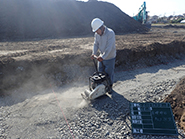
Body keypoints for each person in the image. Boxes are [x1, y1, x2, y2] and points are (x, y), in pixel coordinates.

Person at [90, 18, 116, 92]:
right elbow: (96, 44)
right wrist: (94, 53)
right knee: (100, 73)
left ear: (101, 27)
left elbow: (109, 47)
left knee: (108, 73)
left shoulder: (110, 33)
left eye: (97, 30)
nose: (96, 32)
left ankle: (109, 87)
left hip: (110, 57)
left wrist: (103, 57)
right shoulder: (97, 34)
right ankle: (100, 88)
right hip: (101, 57)